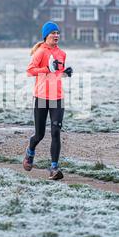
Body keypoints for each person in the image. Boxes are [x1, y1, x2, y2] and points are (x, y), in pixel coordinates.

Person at [23, 22, 73, 181]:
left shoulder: (62, 53)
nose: (56, 36)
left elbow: (56, 74)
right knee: (39, 134)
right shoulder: (40, 52)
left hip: (57, 97)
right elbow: (30, 71)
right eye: (53, 33)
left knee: (56, 132)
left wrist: (65, 73)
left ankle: (54, 168)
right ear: (46, 36)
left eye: (58, 33)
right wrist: (46, 69)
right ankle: (30, 152)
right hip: (42, 97)